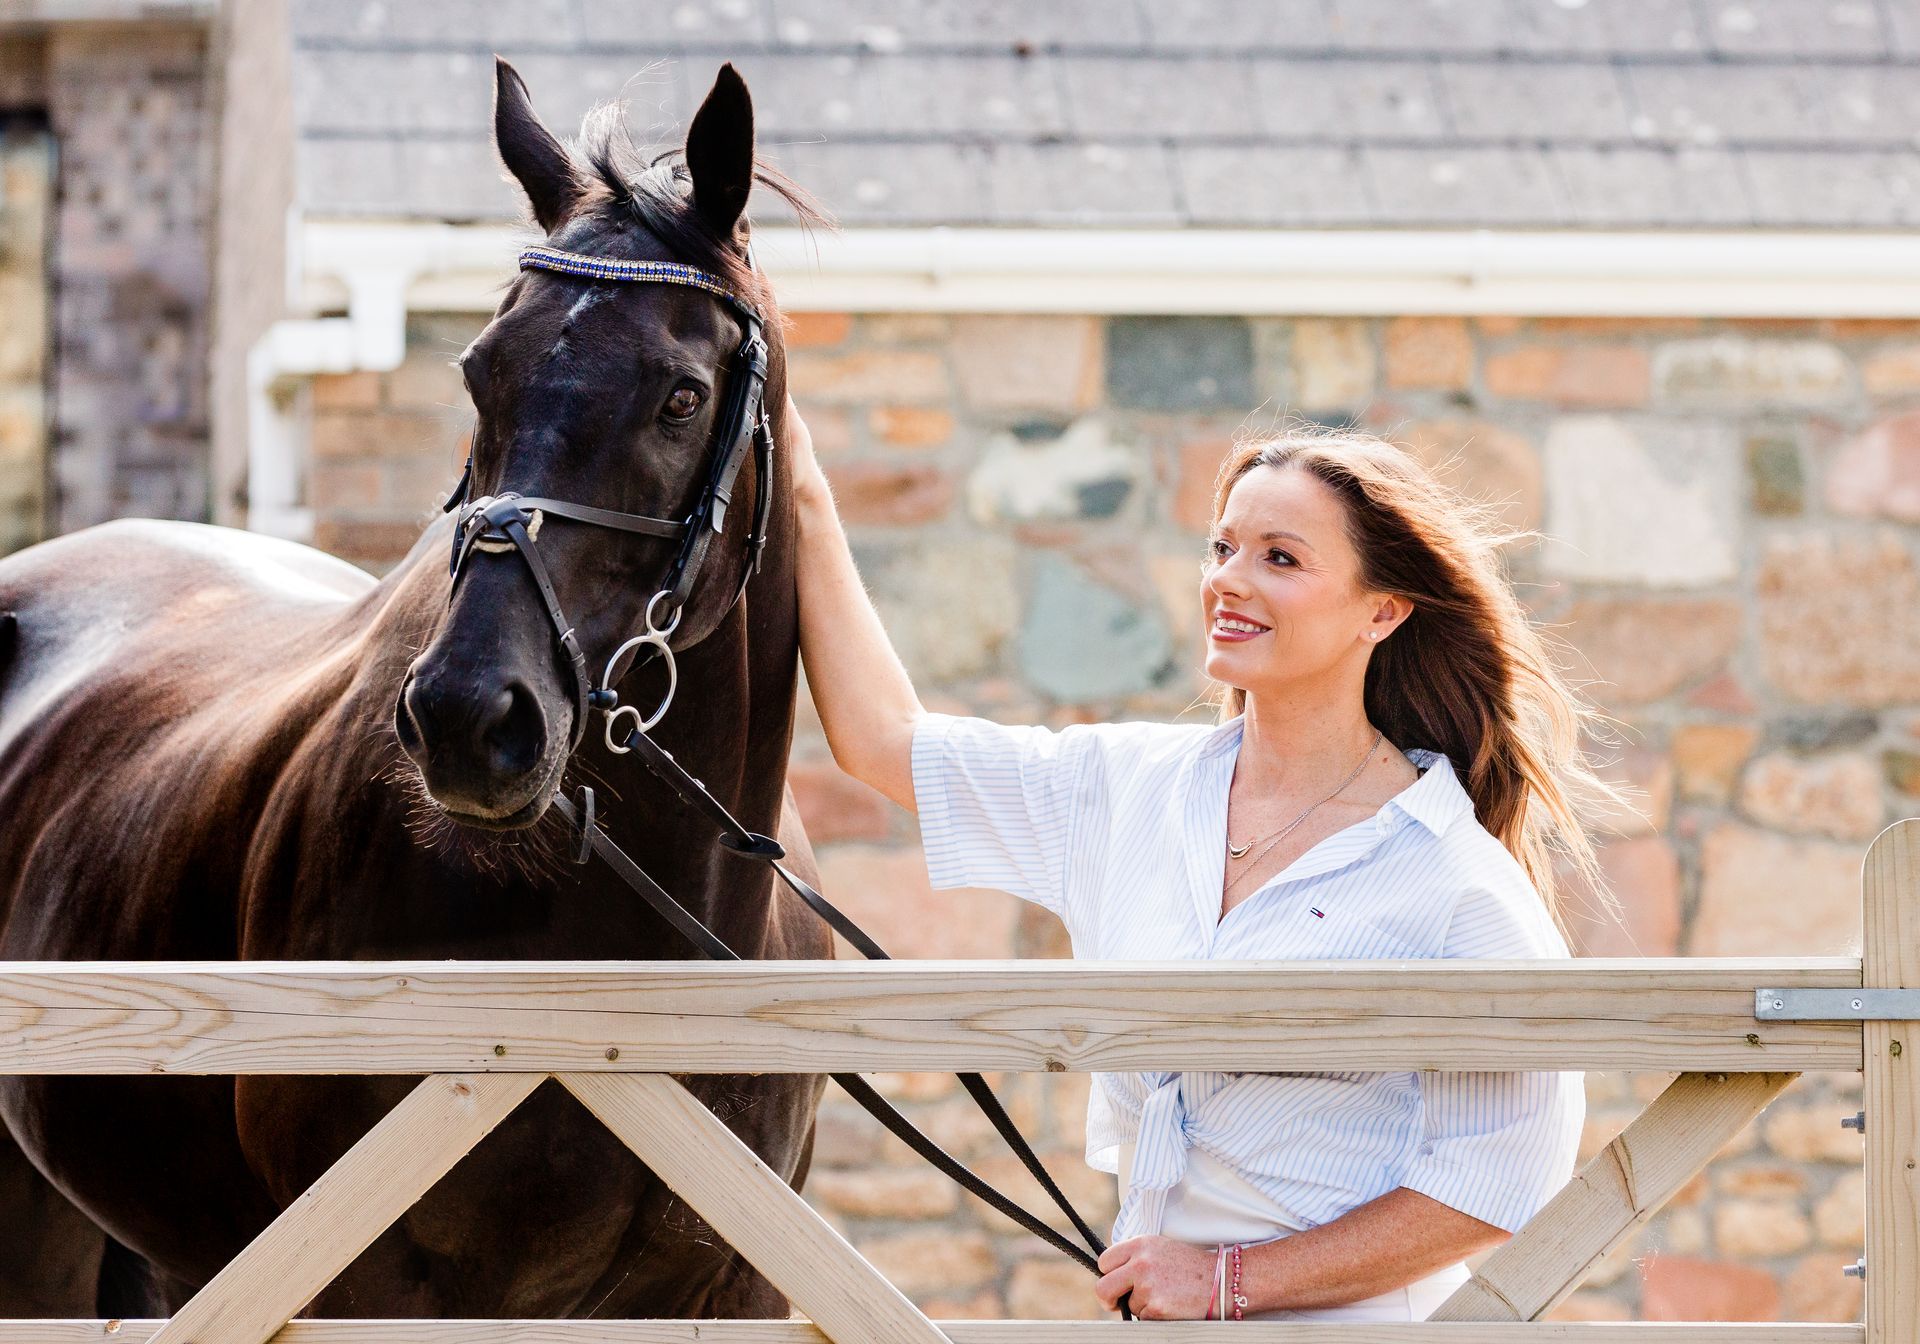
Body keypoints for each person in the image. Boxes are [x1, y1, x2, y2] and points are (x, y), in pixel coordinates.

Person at [785, 399, 1614, 1322]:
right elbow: (884, 740)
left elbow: (1495, 1187)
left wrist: (1228, 1281)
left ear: (1381, 611)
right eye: (1224, 549)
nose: (1231, 580)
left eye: (1281, 558)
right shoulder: (1124, 788)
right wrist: (805, 491)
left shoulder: (1456, 885)